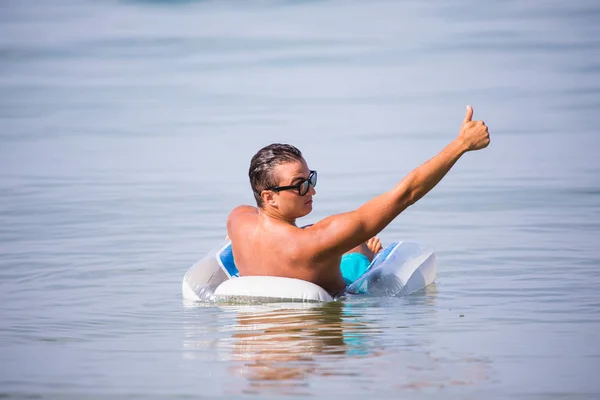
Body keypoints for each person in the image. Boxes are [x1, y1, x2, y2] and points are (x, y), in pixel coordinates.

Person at [227, 106, 490, 296]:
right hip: (330, 328)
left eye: (311, 179)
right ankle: (363, 251)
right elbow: (406, 194)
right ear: (269, 197)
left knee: (344, 245)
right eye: (300, 185)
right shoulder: (315, 241)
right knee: (357, 252)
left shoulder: (238, 219)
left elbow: (272, 233)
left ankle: (359, 249)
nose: (312, 191)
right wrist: (461, 144)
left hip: (269, 329)